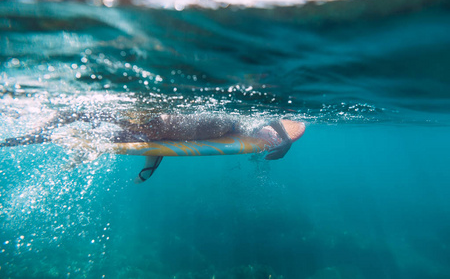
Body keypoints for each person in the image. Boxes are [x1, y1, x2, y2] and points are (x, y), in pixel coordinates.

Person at [1, 110, 305, 182]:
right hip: (159, 122)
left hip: (168, 126)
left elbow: (162, 146)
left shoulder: (237, 124)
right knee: (85, 117)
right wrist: (149, 166)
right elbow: (159, 145)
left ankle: (22, 139)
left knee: (108, 130)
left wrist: (278, 134)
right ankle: (17, 138)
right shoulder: (136, 122)